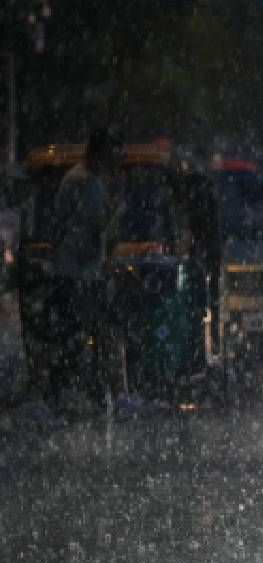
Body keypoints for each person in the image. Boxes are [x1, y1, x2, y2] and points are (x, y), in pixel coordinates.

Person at [46, 127, 124, 413]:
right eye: (113, 153)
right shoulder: (87, 182)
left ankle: (74, 396)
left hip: (74, 271)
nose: (117, 160)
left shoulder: (79, 178)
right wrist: (115, 210)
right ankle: (85, 396)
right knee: (89, 334)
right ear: (101, 154)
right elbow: (97, 224)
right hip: (79, 273)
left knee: (75, 336)